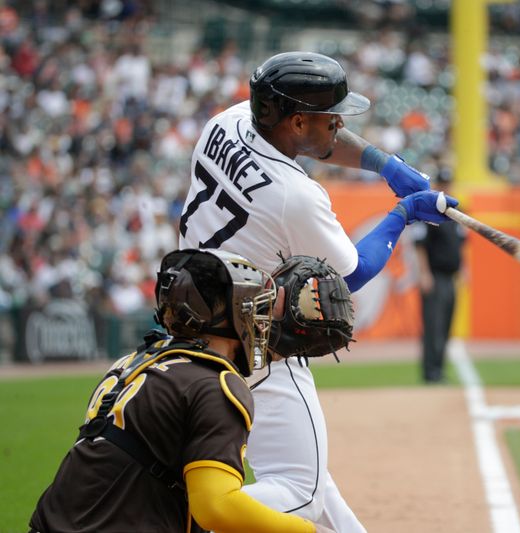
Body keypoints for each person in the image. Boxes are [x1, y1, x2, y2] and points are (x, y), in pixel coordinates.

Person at [178, 51, 458, 531]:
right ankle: (185, 520)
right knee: (299, 493)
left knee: (314, 486)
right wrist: (403, 214)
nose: (337, 125)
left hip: (189, 327)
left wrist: (383, 164)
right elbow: (350, 276)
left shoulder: (225, 123)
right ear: (297, 120)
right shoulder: (294, 195)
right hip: (258, 349)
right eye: (330, 118)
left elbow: (319, 141)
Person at [29, 248, 330, 533]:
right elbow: (216, 507)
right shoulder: (213, 385)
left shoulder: (129, 364)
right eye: (252, 308)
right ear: (234, 316)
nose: (258, 320)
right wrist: (306, 529)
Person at [413, 169, 466, 384]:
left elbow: (461, 245)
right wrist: (424, 273)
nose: (447, 187)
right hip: (434, 276)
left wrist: (463, 269)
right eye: (443, 183)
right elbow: (420, 246)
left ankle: (439, 369)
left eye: (449, 182)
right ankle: (430, 372)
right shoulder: (429, 213)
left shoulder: (456, 212)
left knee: (445, 325)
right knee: (433, 325)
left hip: (450, 276)